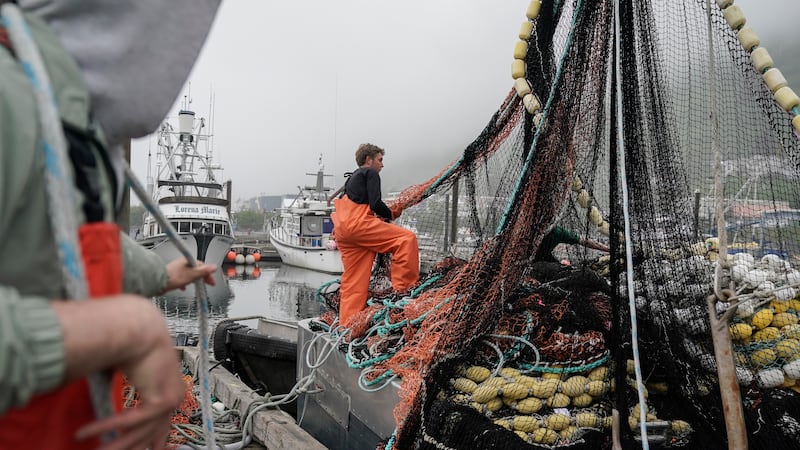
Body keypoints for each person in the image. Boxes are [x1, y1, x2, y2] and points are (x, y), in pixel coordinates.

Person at [0, 1, 222, 449]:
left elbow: (61, 244)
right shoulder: (10, 103)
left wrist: (162, 273)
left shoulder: (69, 131)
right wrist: (129, 329)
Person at [331, 143, 419, 327]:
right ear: (368, 160)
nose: (382, 165)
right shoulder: (370, 173)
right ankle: (403, 294)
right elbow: (375, 203)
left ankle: (347, 326)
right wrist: (391, 213)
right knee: (405, 240)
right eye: (380, 160)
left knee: (354, 280)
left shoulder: (351, 180)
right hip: (358, 224)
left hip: (343, 230)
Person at [533, 225, 610, 263]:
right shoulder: (558, 232)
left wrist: (607, 249)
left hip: (540, 258)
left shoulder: (558, 233)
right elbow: (584, 241)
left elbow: (584, 241)